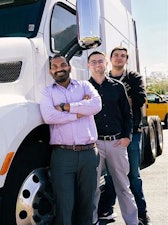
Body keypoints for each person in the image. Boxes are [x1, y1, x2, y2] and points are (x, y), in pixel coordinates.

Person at [40, 54, 102, 225]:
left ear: (69, 67)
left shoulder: (84, 85)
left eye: (62, 64)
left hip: (89, 153)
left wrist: (66, 107)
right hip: (62, 155)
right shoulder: (47, 92)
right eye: (54, 66)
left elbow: (97, 105)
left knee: (87, 204)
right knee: (64, 205)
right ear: (51, 71)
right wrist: (81, 111)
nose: (59, 68)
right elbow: (49, 116)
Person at [98, 47, 151, 225]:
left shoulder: (133, 77)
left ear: (126, 59)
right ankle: (106, 209)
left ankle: (142, 214)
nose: (119, 58)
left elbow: (140, 99)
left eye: (123, 56)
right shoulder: (104, 79)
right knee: (112, 175)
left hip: (131, 133)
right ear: (110, 59)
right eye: (116, 55)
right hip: (111, 136)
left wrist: (119, 98)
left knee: (133, 175)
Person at [87, 51, 138, 225]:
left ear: (106, 63)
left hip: (117, 143)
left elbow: (127, 114)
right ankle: (92, 221)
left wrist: (127, 137)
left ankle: (132, 221)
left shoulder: (117, 87)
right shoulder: (84, 88)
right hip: (95, 145)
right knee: (92, 188)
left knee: (123, 186)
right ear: (88, 65)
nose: (97, 64)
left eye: (100, 61)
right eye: (93, 62)